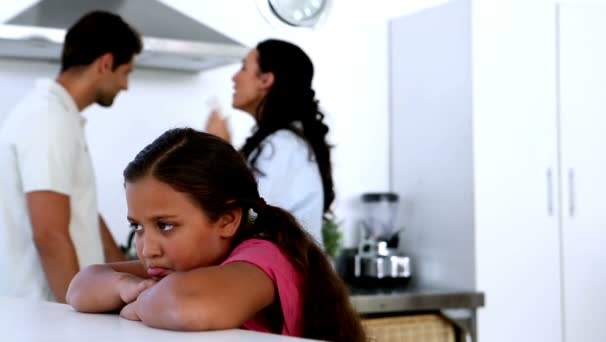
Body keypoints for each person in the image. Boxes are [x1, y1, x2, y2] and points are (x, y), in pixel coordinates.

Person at [66, 128, 366, 341]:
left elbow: (188, 307)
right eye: (138, 227)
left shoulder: (264, 257)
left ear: (227, 220)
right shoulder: (179, 262)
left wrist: (138, 304)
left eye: (165, 225)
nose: (147, 249)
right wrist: (125, 287)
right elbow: (80, 288)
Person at [0, 11, 143, 302]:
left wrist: (121, 267)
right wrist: (74, 312)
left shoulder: (58, 117)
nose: (125, 86)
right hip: (44, 312)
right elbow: (49, 234)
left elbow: (81, 208)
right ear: (106, 63)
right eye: (126, 72)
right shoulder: (48, 119)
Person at [206, 39, 334, 244]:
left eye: (244, 68)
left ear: (265, 80)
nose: (234, 77)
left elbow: (252, 219)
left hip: (286, 272)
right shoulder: (275, 144)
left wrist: (222, 151)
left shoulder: (283, 146)